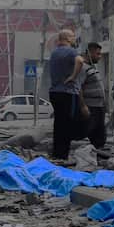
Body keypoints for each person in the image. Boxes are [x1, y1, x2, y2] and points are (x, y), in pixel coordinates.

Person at [47, 29, 85, 161]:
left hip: (54, 92)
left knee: (58, 123)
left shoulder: (54, 53)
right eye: (73, 36)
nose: (75, 39)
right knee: (68, 124)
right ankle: (64, 154)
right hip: (67, 93)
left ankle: (57, 153)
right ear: (68, 38)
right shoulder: (71, 51)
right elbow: (80, 61)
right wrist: (73, 77)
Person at [80, 42, 107, 149]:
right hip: (91, 106)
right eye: (97, 54)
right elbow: (79, 88)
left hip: (99, 106)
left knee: (100, 134)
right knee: (93, 132)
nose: (100, 57)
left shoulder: (92, 68)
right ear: (89, 53)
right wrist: (83, 106)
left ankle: (98, 154)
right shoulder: (82, 68)